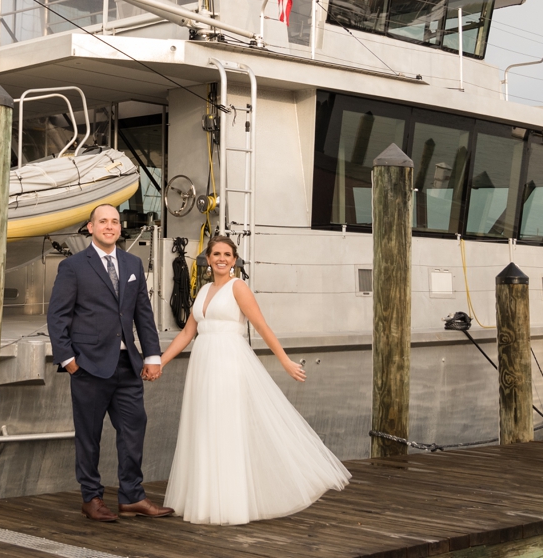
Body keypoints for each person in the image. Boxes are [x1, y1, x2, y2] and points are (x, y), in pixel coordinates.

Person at [159, 234, 351, 524]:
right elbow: (187, 334)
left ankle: (231, 504)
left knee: (226, 427)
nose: (221, 259)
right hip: (203, 364)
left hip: (228, 361)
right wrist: (158, 363)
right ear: (208, 259)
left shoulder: (239, 288)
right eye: (216, 254)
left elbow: (262, 326)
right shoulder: (203, 290)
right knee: (205, 425)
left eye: (227, 254)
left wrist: (284, 360)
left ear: (234, 260)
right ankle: (207, 500)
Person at [47, 203, 174, 522]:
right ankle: (91, 498)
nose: (109, 226)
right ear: (90, 227)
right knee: (88, 435)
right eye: (102, 221)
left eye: (115, 221)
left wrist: (153, 356)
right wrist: (69, 359)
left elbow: (143, 314)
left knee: (135, 427)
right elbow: (57, 316)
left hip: (127, 365)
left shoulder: (132, 263)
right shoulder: (73, 266)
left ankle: (132, 496)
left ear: (120, 228)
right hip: (88, 366)